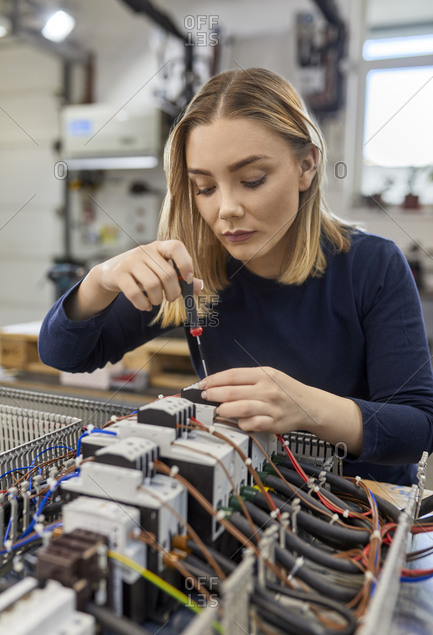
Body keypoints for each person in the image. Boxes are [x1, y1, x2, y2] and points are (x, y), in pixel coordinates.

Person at [39, 67, 433, 486]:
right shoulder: (194, 271)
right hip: (240, 501)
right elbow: (64, 355)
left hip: (356, 513)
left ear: (306, 166)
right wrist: (100, 280)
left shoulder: (372, 266)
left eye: (251, 180)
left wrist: (308, 407)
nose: (226, 209)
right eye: (205, 188)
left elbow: (419, 428)